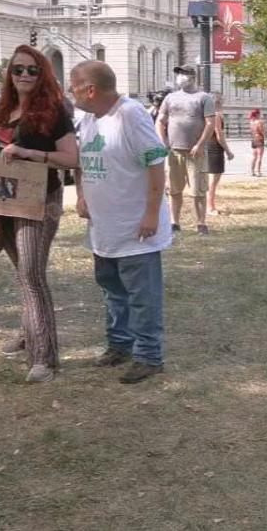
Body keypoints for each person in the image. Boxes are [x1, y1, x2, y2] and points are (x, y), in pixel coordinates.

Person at [0, 45, 78, 383]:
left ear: (43, 73)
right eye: (18, 69)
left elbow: (71, 158)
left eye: (32, 70)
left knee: (32, 274)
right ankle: (28, 333)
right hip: (4, 199)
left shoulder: (55, 110)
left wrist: (29, 153)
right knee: (23, 273)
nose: (24, 76)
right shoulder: (2, 109)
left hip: (39, 199)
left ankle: (44, 358)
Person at [69, 61, 172, 384]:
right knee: (112, 289)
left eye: (73, 85)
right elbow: (81, 161)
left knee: (142, 295)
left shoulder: (130, 115)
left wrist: (152, 213)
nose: (69, 90)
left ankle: (149, 356)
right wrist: (82, 195)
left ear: (91, 89)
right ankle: (119, 344)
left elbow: (156, 163)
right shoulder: (87, 119)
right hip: (104, 226)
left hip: (135, 227)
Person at [157, 65, 217, 234]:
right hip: (174, 151)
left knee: (198, 190)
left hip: (195, 152)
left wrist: (199, 144)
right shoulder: (170, 98)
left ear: (192, 77)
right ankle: (174, 222)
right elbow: (161, 121)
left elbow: (210, 124)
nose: (180, 77)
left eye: (183, 74)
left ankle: (201, 223)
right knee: (174, 189)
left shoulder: (204, 98)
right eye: (178, 74)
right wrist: (163, 142)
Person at [205, 94, 234, 216]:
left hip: (208, 147)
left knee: (210, 180)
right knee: (213, 180)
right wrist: (228, 151)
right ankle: (210, 207)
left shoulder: (207, 115)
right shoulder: (216, 116)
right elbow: (219, 134)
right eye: (221, 101)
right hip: (215, 148)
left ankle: (209, 205)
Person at [248, 108, 266, 176]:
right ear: (258, 114)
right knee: (260, 156)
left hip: (253, 139)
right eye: (260, 114)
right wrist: (265, 135)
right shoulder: (260, 122)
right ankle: (258, 172)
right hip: (260, 139)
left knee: (254, 156)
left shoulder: (251, 122)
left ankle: (252, 171)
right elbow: (262, 131)